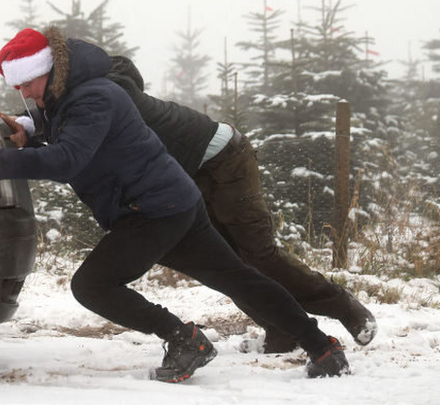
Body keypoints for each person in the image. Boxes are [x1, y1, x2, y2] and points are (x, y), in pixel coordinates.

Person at [0, 26, 350, 382]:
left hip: (152, 211)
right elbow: (76, 144)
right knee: (238, 277)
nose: (22, 93)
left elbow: (68, 159)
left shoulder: (92, 97)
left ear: (49, 69)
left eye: (25, 82)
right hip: (171, 202)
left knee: (92, 285)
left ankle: (184, 339)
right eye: (16, 86)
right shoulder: (75, 95)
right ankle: (323, 348)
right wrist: (30, 137)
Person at [105, 55, 377, 353]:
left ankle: (343, 306)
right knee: (225, 262)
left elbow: (121, 72)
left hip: (225, 159)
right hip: (187, 175)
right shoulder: (90, 97)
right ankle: (280, 329)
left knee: (259, 253)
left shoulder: (110, 91)